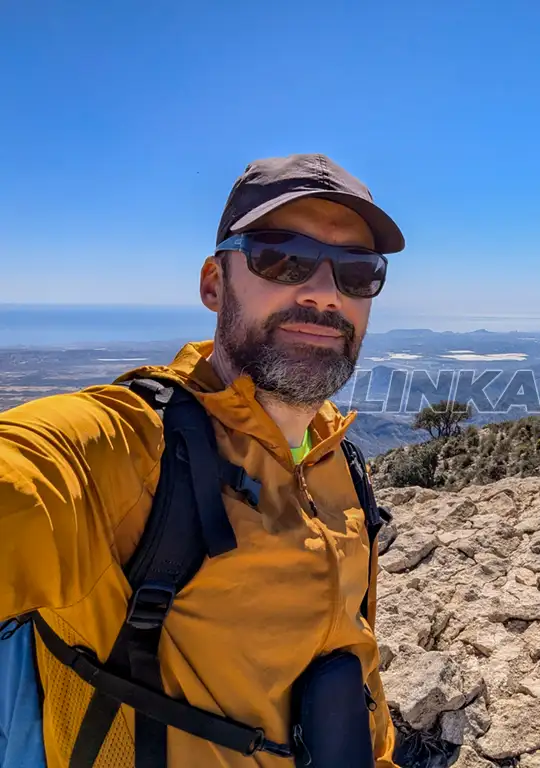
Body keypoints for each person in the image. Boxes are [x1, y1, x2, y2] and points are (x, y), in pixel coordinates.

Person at [0, 153, 405, 767]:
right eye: (283, 257)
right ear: (214, 284)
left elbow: (355, 666)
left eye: (358, 270)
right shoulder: (132, 450)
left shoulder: (339, 459)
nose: (325, 293)